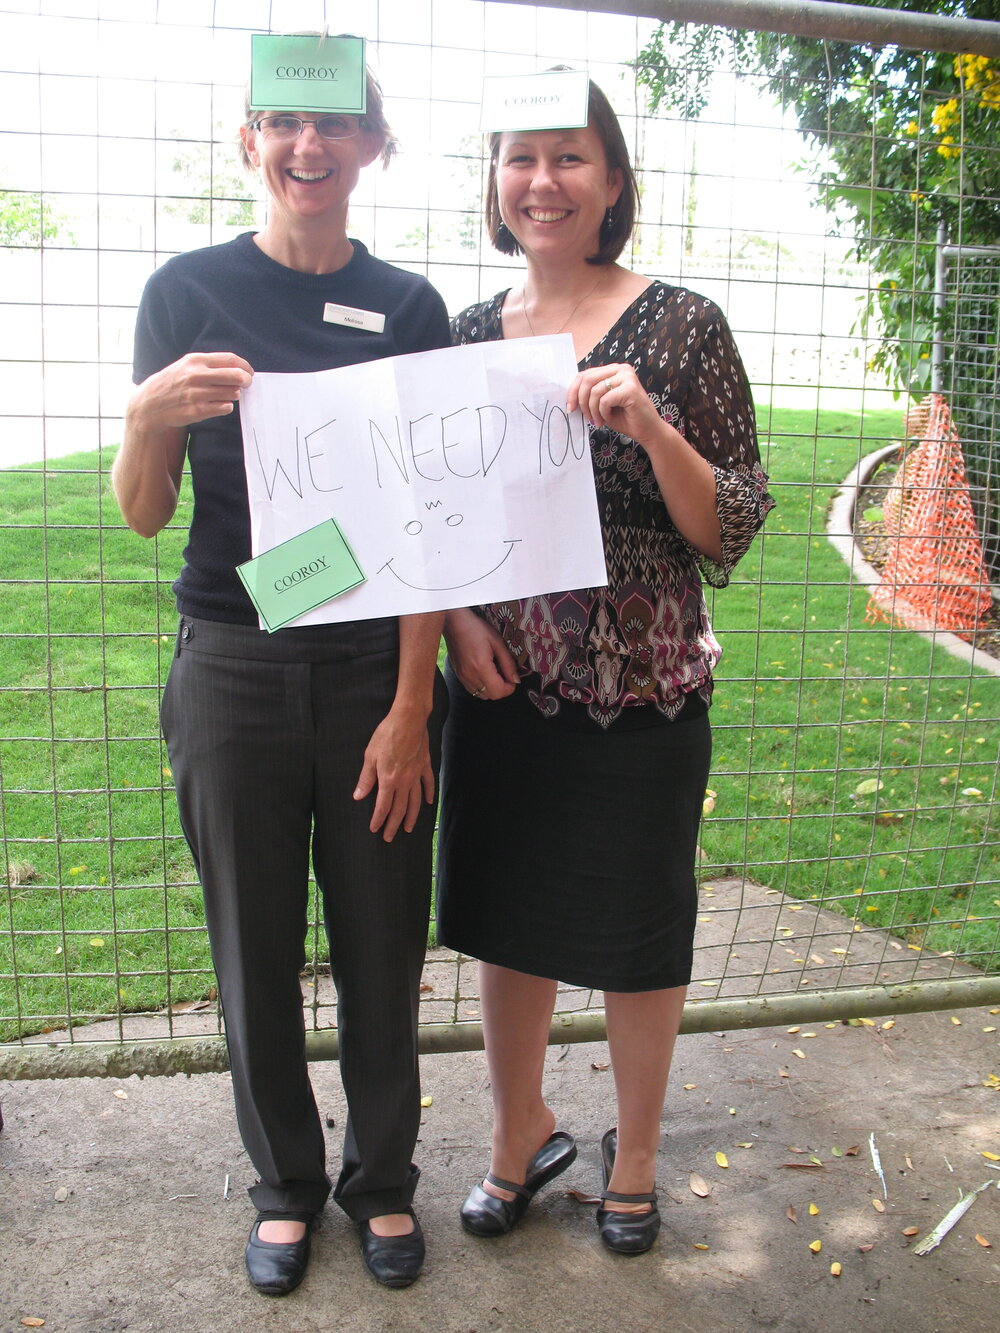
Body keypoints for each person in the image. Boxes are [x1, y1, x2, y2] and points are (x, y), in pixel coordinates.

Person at [112, 52, 449, 1294]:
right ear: (249, 136)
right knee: (251, 948)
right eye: (286, 122)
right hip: (234, 667)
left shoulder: (408, 306)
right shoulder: (185, 291)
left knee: (379, 943)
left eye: (336, 125)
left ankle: (381, 1181)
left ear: (372, 145)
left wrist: (415, 706)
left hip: (373, 673)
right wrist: (150, 418)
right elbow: (146, 517)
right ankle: (285, 1185)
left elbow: (426, 529)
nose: (310, 146)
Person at [436, 74, 773, 1255]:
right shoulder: (470, 336)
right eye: (519, 157)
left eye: (570, 157)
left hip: (645, 691)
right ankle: (515, 1136)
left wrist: (648, 423)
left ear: (614, 179)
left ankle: (632, 1157)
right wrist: (459, 622)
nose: (542, 181)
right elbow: (437, 518)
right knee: (505, 921)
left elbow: (728, 521)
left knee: (639, 930)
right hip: (503, 686)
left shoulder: (680, 325)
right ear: (494, 181)